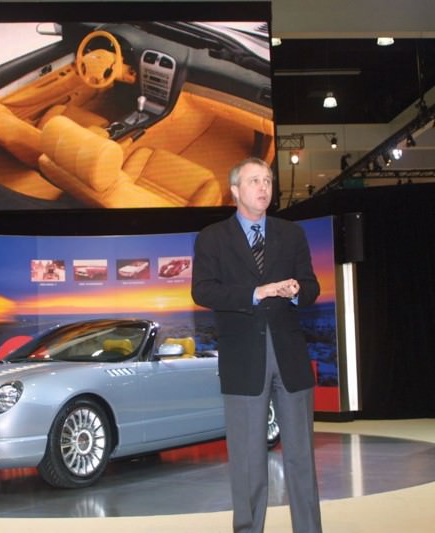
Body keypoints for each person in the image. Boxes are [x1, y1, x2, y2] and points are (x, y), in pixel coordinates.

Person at [191, 157, 322, 533]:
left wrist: (298, 291)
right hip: (243, 362)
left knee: (301, 459)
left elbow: (312, 285)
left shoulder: (291, 234)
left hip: (291, 359)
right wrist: (255, 292)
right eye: (254, 181)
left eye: (267, 180)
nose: (263, 187)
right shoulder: (213, 238)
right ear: (235, 191)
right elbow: (202, 290)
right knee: (248, 464)